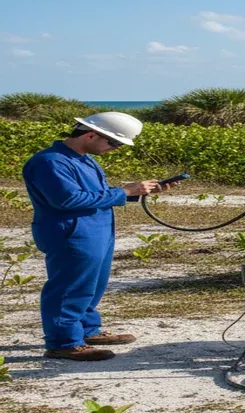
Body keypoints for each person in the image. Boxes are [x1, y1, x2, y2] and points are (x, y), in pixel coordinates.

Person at [23, 112, 175, 361]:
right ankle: (63, 342)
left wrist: (137, 192)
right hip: (71, 232)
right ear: (90, 134)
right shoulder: (50, 162)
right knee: (70, 288)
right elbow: (66, 199)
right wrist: (124, 191)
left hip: (94, 230)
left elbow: (98, 194)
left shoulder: (83, 159)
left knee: (92, 285)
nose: (115, 149)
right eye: (114, 143)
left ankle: (87, 330)